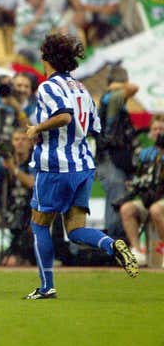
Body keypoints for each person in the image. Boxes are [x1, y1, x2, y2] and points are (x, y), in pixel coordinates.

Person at [24, 33, 138, 300]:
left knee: (40, 225)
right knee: (75, 231)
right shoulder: (81, 88)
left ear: (46, 58)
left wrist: (37, 129)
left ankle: (46, 287)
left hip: (55, 167)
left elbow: (63, 116)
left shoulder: (48, 87)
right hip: (83, 166)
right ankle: (113, 245)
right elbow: (93, 128)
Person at [96, 65, 139, 239]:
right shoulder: (113, 98)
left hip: (110, 159)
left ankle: (113, 247)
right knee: (116, 202)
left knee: (115, 201)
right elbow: (134, 88)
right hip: (110, 159)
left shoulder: (109, 100)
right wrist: (118, 85)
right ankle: (114, 247)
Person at [0, 128, 35, 265]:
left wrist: (14, 170)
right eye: (16, 140)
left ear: (30, 143)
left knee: (49, 212)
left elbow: (32, 183)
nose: (20, 143)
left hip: (31, 214)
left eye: (23, 139)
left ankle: (46, 256)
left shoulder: (36, 161)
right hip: (8, 211)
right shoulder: (4, 164)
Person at [119, 116, 164, 266]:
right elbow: (138, 177)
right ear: (150, 133)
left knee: (156, 209)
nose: (158, 132)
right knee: (127, 209)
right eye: (155, 129)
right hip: (149, 198)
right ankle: (137, 253)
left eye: (161, 129)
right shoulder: (145, 154)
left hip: (160, 202)